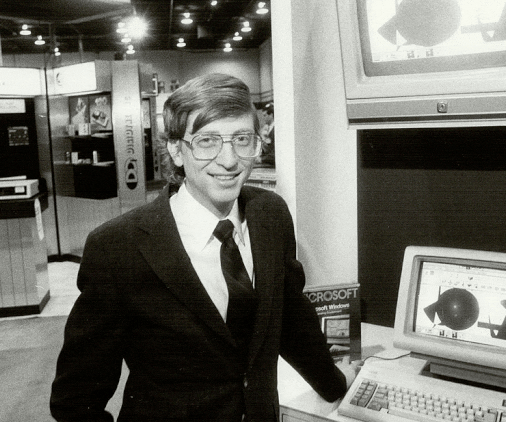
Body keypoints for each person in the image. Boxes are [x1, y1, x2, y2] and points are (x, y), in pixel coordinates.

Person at [50, 73, 357, 422]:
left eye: (242, 139)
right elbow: (75, 401)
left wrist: (335, 382)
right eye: (207, 141)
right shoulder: (119, 247)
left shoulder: (270, 214)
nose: (229, 160)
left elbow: (291, 319)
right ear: (176, 150)